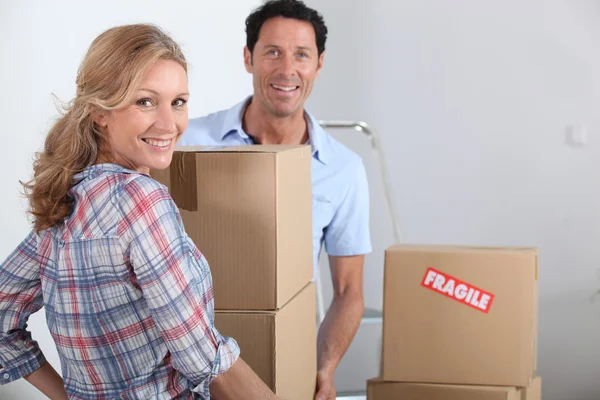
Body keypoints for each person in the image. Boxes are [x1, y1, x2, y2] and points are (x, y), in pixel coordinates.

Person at [0, 23, 279, 400]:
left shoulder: (65, 204)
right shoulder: (141, 200)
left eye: (178, 102)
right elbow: (203, 358)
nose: (169, 124)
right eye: (145, 101)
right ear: (101, 110)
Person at [178, 1, 372, 398]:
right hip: (179, 368)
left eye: (302, 55)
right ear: (248, 58)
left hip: (281, 362)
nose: (287, 70)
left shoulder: (343, 169)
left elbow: (349, 291)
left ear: (319, 64)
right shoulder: (186, 143)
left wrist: (324, 368)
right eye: (272, 52)